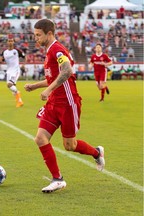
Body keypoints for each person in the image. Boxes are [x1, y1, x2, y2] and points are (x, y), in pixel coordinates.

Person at [24, 19, 105, 193]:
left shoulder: (58, 50)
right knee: (40, 138)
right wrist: (35, 86)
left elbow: (67, 71)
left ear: (49, 34)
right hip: (54, 103)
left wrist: (47, 91)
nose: (36, 38)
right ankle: (57, 179)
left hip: (68, 103)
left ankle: (97, 153)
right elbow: (52, 78)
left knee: (70, 145)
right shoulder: (49, 51)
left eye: (38, 35)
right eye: (35, 35)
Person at [0, 38, 25, 107]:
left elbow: (25, 57)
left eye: (11, 41)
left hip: (16, 70)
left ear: (13, 42)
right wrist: (0, 60)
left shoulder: (17, 51)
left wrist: (23, 64)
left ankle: (18, 94)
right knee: (11, 87)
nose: (10, 42)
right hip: (9, 71)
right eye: (9, 41)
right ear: (7, 42)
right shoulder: (4, 52)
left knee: (9, 84)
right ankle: (19, 101)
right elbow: (1, 60)